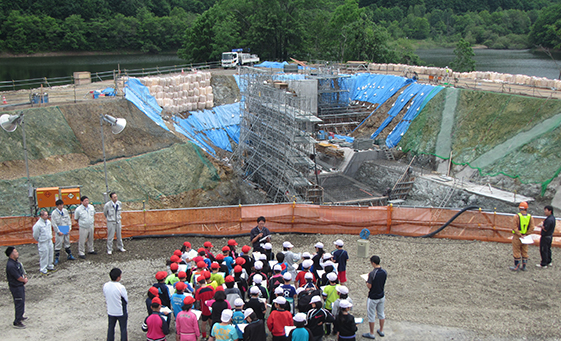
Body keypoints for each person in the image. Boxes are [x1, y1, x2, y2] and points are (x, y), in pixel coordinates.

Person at [363, 255, 387, 339]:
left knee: (371, 315)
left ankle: (371, 333)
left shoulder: (372, 273)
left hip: (373, 296)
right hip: (381, 295)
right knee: (381, 313)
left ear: (373, 263)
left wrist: (367, 281)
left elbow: (369, 286)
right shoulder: (384, 272)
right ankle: (381, 330)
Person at [5, 246, 28, 329]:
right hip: (16, 287)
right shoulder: (11, 265)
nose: (17, 253)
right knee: (19, 303)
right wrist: (24, 280)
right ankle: (17, 321)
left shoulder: (15, 262)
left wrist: (24, 277)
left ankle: (20, 316)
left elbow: (21, 271)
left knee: (21, 302)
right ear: (12, 254)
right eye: (15, 252)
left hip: (19, 286)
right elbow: (17, 277)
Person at [103, 267, 128, 341]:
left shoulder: (106, 285)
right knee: (123, 329)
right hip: (120, 311)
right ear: (118, 277)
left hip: (110, 310)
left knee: (111, 327)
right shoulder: (120, 287)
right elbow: (125, 298)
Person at [510, 202, 535, 271]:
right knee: (524, 251)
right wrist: (526, 234)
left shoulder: (517, 216)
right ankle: (524, 266)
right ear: (526, 208)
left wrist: (520, 234)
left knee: (516, 250)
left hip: (517, 236)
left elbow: (514, 227)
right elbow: (532, 227)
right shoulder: (530, 217)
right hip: (526, 237)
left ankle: (516, 266)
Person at [50, 199, 76, 264]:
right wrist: (58, 231)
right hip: (59, 228)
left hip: (65, 228)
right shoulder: (54, 213)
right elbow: (54, 224)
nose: (61, 206)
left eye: (62, 205)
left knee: (67, 242)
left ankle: (69, 255)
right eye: (59, 205)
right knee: (58, 244)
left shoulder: (65, 211)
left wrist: (69, 228)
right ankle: (57, 258)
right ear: (57, 206)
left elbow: (68, 220)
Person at [32, 210, 56, 274]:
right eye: (45, 215)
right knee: (44, 255)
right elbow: (35, 235)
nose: (47, 216)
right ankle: (43, 269)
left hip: (49, 240)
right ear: (41, 216)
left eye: (47, 214)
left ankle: (50, 266)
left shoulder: (48, 222)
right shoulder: (38, 225)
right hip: (43, 242)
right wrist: (40, 239)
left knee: (50, 253)